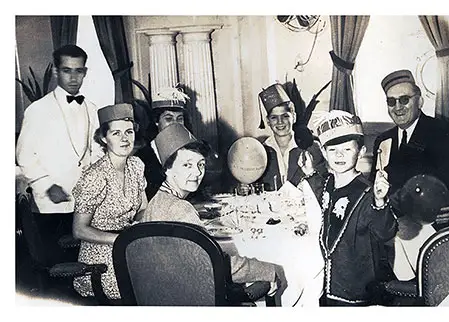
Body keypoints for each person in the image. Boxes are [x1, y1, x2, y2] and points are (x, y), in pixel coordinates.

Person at [141, 123, 281, 289]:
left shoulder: (157, 200)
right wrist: (270, 270)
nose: (197, 173)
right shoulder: (179, 209)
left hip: (166, 288)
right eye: (187, 165)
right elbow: (215, 262)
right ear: (167, 169)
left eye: (200, 164)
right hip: (191, 294)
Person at [298, 110, 398, 306]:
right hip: (330, 282)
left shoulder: (367, 192)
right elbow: (321, 191)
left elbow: (385, 232)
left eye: (347, 149)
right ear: (324, 152)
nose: (340, 155)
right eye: (333, 150)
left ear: (360, 152)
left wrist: (380, 201)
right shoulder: (328, 183)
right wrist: (310, 173)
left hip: (357, 286)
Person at [16, 44, 103, 265]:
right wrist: (46, 185)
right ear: (56, 71)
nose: (73, 77)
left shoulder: (91, 109)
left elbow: (96, 151)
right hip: (50, 205)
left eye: (79, 71)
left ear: (85, 72)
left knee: (85, 261)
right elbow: (24, 155)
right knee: (56, 266)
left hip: (84, 204)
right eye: (67, 70)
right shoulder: (38, 110)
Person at [369, 69, 449, 227]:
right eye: (391, 101)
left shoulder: (448, 132)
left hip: (438, 228)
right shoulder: (383, 140)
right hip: (394, 227)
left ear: (420, 102)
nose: (397, 107)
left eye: (404, 100)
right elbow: (374, 187)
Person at [72, 103, 148, 300]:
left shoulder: (136, 166)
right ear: (104, 138)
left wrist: (138, 229)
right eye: (116, 133)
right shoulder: (95, 176)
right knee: (148, 285)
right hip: (100, 258)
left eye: (129, 132)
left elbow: (143, 209)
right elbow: (79, 230)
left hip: (130, 246)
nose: (125, 139)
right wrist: (121, 240)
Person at [257, 83, 326, 191]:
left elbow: (323, 186)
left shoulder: (312, 148)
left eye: (285, 116)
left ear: (293, 117)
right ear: (268, 121)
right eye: (274, 117)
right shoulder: (260, 151)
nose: (280, 122)